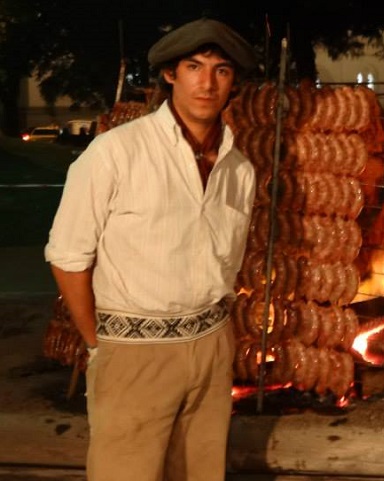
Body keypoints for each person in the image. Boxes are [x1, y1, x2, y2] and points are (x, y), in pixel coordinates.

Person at [44, 17, 257, 481]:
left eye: (220, 70)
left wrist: (220, 340)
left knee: (200, 473)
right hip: (134, 351)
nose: (206, 82)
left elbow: (227, 261)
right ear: (169, 75)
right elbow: (67, 255)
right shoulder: (115, 152)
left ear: (233, 81)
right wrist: (98, 345)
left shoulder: (239, 168)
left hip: (212, 347)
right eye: (193, 67)